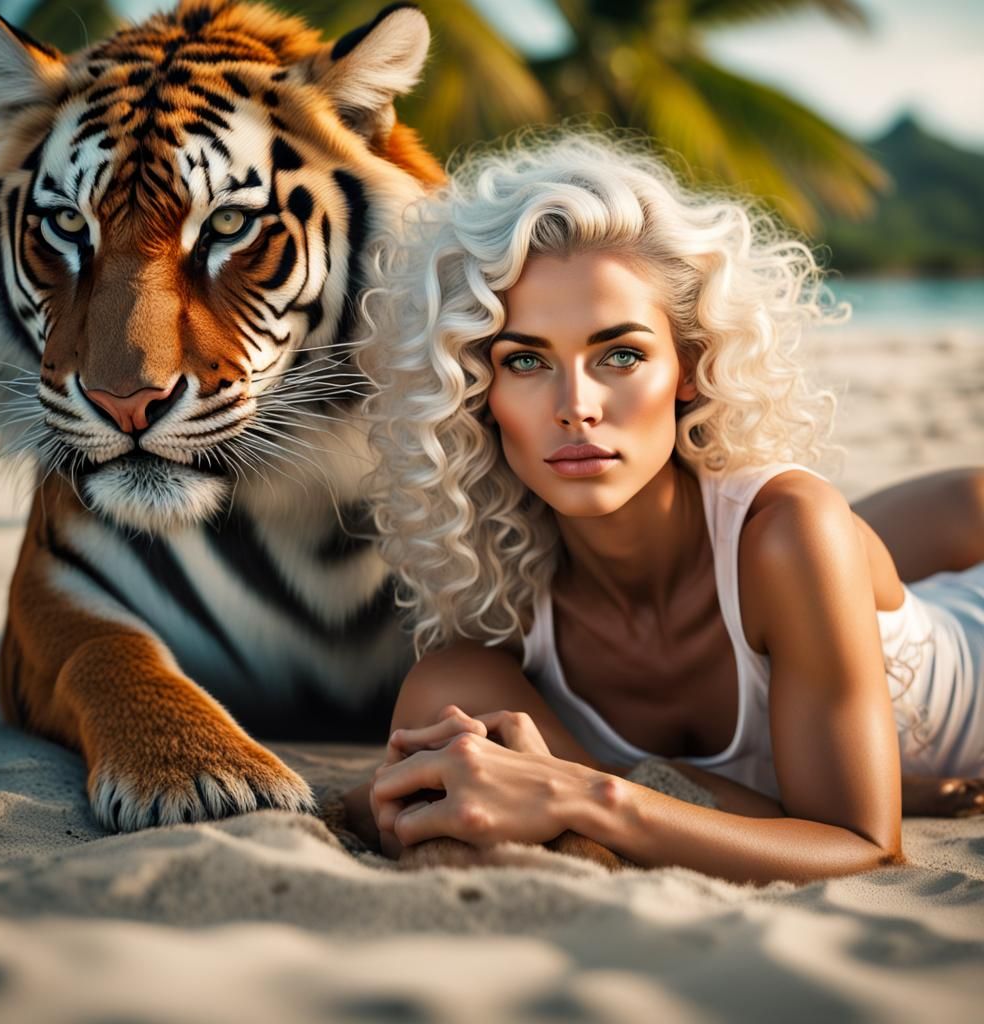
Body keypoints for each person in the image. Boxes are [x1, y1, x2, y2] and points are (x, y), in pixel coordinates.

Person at [344, 132, 984, 884]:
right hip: (787, 562)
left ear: (689, 366)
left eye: (621, 355)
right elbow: (393, 806)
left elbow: (864, 848)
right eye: (526, 360)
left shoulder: (790, 535)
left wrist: (591, 793)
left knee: (814, 528)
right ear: (477, 392)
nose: (575, 407)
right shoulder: (478, 666)